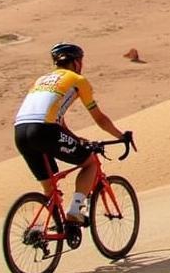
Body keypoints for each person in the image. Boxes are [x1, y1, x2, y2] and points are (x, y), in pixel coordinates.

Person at [14, 42, 132, 224]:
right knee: (90, 162)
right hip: (44, 131)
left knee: (49, 189)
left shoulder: (41, 80)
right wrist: (121, 136)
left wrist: (75, 139)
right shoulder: (78, 80)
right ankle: (75, 210)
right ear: (76, 62)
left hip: (20, 132)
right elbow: (99, 118)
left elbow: (56, 118)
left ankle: (43, 229)